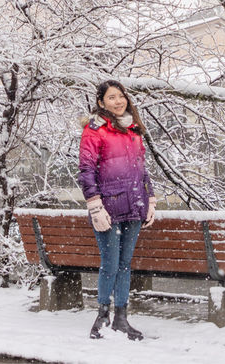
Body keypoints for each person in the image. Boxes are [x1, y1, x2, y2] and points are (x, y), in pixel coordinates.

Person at [78, 80, 156, 341]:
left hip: (134, 205)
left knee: (125, 265)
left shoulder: (133, 129)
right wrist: (95, 206)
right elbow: (86, 171)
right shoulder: (95, 130)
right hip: (108, 207)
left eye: (121, 96)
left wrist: (151, 199)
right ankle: (101, 317)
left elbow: (142, 169)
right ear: (101, 102)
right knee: (110, 264)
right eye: (111, 97)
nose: (118, 101)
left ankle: (121, 318)